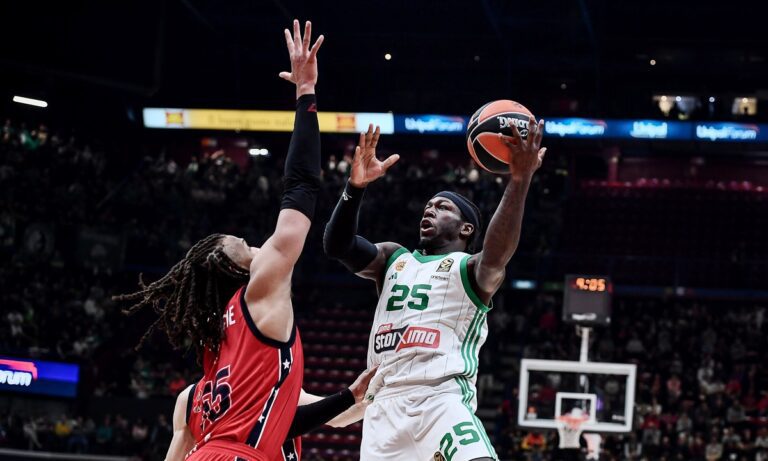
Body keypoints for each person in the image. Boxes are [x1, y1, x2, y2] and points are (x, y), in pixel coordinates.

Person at [116, 20, 371, 461]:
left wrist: (358, 395)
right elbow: (301, 187)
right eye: (239, 242)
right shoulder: (260, 291)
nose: (251, 241)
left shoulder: (218, 353)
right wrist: (306, 92)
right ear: (229, 266)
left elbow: (296, 418)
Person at [324, 118, 546, 460]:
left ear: (466, 229)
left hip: (441, 398)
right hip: (384, 406)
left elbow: (497, 255)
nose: (430, 209)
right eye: (428, 206)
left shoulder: (470, 269)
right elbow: (337, 245)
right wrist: (354, 189)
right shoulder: (393, 259)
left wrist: (519, 180)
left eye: (443, 207)